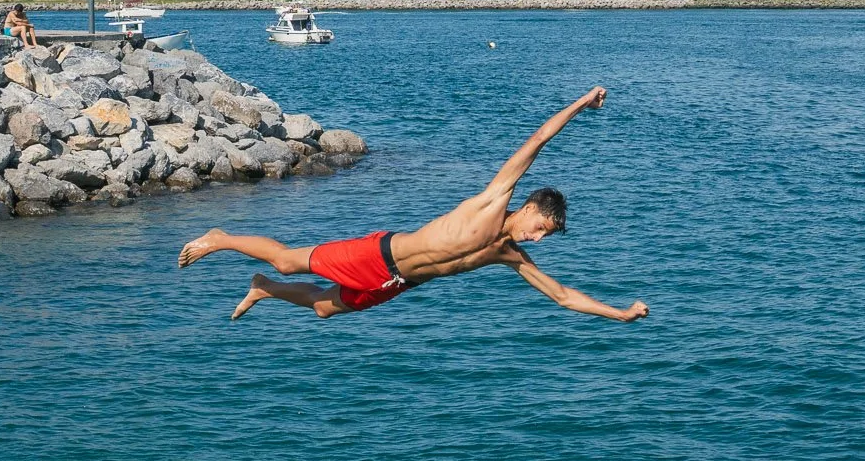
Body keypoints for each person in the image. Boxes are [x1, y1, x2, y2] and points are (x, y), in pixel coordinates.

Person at [178, 87, 650, 322]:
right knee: (287, 261)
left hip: (397, 280)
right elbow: (539, 140)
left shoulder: (509, 255)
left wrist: (621, 314)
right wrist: (583, 103)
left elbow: (563, 296)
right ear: (527, 207)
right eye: (539, 226)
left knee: (324, 309)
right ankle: (222, 238)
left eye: (544, 235)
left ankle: (261, 288)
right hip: (377, 255)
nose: (537, 237)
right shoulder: (492, 201)